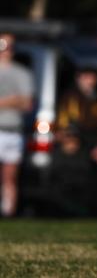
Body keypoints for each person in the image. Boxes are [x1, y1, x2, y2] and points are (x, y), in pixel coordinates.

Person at [0, 33, 34, 217]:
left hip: (13, 131)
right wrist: (13, 100)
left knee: (10, 177)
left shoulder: (22, 73)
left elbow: (27, 103)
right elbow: (20, 101)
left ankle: (8, 213)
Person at [56, 70, 97, 146]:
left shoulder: (95, 97)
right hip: (74, 136)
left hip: (94, 136)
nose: (90, 81)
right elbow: (67, 122)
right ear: (78, 78)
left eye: (93, 77)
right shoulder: (70, 96)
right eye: (86, 77)